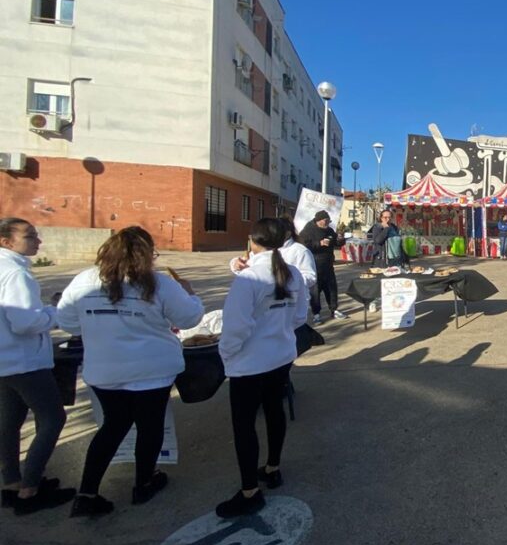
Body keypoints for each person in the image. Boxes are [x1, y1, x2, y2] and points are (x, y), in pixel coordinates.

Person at [58, 227, 204, 517]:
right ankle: (144, 483)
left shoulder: (85, 280)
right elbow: (189, 318)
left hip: (105, 371)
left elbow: (67, 322)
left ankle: (87, 493)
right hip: (152, 370)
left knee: (112, 427)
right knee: (150, 427)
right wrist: (191, 294)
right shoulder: (159, 284)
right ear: (147, 254)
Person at [216, 218, 306, 517]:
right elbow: (300, 317)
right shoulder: (292, 273)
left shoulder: (249, 279)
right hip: (280, 355)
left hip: (249, 362)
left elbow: (235, 327)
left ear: (253, 241)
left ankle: (249, 491)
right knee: (274, 410)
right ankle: (272, 467)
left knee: (243, 425)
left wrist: (227, 356)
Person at [0, 218, 75, 515]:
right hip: (25, 362)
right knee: (52, 419)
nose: (38, 241)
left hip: (5, 361)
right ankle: (30, 490)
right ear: (6, 241)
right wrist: (56, 313)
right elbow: (25, 322)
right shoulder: (16, 273)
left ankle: (11, 483)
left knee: (9, 422)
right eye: (29, 236)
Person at [299, 210, 346, 323]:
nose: (328, 223)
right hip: (314, 265)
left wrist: (340, 239)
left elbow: (336, 243)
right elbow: (303, 245)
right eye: (326, 221)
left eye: (329, 221)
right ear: (319, 220)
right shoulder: (308, 230)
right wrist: (319, 243)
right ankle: (316, 314)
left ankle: (334, 309)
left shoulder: (329, 230)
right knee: (315, 291)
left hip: (328, 264)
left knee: (331, 288)